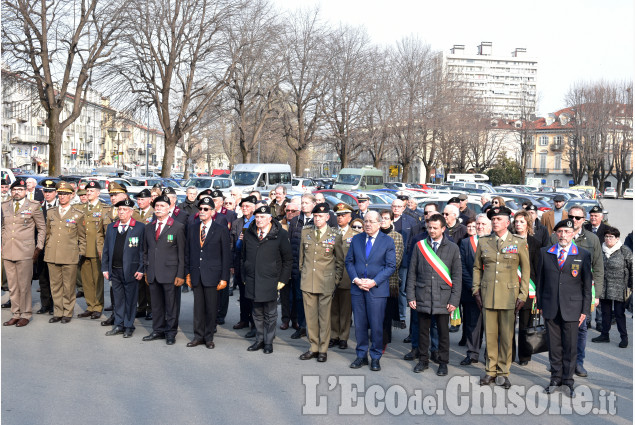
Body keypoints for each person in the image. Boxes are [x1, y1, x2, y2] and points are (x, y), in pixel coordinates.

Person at [472, 206, 530, 388]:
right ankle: (490, 370)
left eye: (499, 219)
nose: (495, 222)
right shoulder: (483, 242)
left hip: (509, 296)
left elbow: (526, 270)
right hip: (488, 294)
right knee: (489, 336)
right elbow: (476, 268)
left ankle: (504, 372)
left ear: (507, 222)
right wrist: (476, 290)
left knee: (506, 336)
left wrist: (523, 294)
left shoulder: (519, 242)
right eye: (493, 219)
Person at [549, 204, 603, 377]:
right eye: (571, 216)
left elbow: (598, 268)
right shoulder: (555, 236)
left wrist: (597, 295)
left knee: (580, 331)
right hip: (559, 294)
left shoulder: (591, 239)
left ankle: (577, 363)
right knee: (558, 331)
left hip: (581, 294)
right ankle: (558, 363)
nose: (573, 220)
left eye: (578, 218)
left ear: (584, 220)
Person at [540, 219, 592, 397]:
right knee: (554, 346)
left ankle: (568, 381)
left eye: (567, 232)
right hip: (551, 306)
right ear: (555, 233)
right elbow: (540, 281)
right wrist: (540, 305)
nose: (563, 235)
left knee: (570, 346)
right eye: (560, 232)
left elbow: (587, 285)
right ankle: (555, 378)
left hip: (573, 308)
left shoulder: (583, 254)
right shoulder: (545, 253)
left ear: (573, 234)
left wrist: (585, 310)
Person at [407, 213, 462, 376]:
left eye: (435, 228)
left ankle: (443, 362)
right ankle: (423, 360)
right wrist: (411, 296)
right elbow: (412, 273)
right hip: (423, 295)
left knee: (443, 334)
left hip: (444, 299)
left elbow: (457, 277)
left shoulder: (453, 248)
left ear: (443, 229)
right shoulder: (420, 246)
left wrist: (454, 300)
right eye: (429, 227)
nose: (431, 231)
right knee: (423, 332)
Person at [345, 211, 397, 371]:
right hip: (358, 287)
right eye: (366, 221)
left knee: (376, 325)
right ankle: (361, 355)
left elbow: (390, 266)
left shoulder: (387, 241)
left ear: (380, 223)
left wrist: (374, 282)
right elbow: (349, 261)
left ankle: (375, 356)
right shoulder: (356, 239)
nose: (367, 224)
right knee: (360, 325)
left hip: (377, 290)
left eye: (371, 221)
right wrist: (356, 279)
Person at [242, 205, 292, 354]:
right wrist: (244, 275)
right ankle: (259, 339)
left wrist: (283, 279)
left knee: (270, 313)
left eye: (262, 217)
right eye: (257, 217)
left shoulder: (280, 234)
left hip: (271, 280)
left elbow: (288, 259)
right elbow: (242, 256)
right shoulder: (249, 233)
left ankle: (268, 341)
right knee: (256, 312)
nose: (259, 220)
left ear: (270, 218)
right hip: (252, 279)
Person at [298, 203, 344, 362]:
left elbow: (339, 261)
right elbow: (301, 258)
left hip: (326, 281)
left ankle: (323, 349)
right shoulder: (306, 232)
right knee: (310, 317)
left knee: (324, 318)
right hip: (308, 280)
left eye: (320, 216)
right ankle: (313, 347)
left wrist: (335, 279)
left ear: (327, 217)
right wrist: (303, 274)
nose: (317, 219)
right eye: (315, 216)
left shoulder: (335, 235)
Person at [184, 197, 231, 349]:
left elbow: (226, 256)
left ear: (212, 211)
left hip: (213, 275)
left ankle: (209, 337)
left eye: (206, 209)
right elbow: (188, 252)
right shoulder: (192, 228)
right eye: (200, 209)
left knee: (211, 308)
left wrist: (224, 278)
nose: (202, 211)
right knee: (198, 308)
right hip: (196, 274)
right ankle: (198, 336)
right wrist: (188, 273)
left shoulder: (221, 229)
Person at [1, 179, 46, 327]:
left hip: (25, 251)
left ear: (26, 191)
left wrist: (38, 247)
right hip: (8, 251)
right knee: (13, 286)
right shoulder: (5, 205)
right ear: (11, 191)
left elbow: (41, 228)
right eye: (14, 190)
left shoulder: (34, 206)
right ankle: (15, 313)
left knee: (24, 285)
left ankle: (25, 314)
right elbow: (3, 227)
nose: (17, 192)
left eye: (20, 190)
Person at [142, 194, 186, 345]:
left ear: (169, 209)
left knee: (171, 305)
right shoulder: (148, 227)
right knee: (156, 305)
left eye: (162, 206)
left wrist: (181, 274)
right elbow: (145, 251)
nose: (159, 209)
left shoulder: (178, 227)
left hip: (170, 273)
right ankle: (158, 330)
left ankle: (170, 333)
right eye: (157, 206)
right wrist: (147, 271)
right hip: (153, 273)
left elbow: (182, 253)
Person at [101, 199, 145, 338]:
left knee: (131, 300)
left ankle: (128, 325)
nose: (121, 212)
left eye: (125, 210)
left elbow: (143, 251)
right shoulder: (112, 227)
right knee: (118, 300)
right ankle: (119, 324)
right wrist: (105, 268)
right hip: (115, 270)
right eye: (119, 209)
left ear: (131, 212)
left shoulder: (139, 227)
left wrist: (141, 268)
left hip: (131, 271)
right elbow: (106, 249)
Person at [44, 181, 87, 324]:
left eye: (66, 194)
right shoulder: (51, 212)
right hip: (52, 254)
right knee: (55, 286)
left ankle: (67, 312)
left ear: (71, 195)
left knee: (68, 286)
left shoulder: (78, 214)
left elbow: (82, 237)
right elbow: (48, 234)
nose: (62, 197)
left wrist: (81, 253)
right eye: (60, 194)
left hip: (70, 255)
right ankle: (58, 311)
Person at [458, 213, 491, 366]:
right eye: (478, 224)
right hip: (472, 290)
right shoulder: (466, 243)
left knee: (490, 325)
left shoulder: (495, 242)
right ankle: (472, 353)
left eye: (483, 224)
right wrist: (473, 286)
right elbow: (463, 266)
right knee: (472, 323)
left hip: (492, 291)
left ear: (490, 226)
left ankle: (489, 355)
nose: (480, 227)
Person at [592, 226, 632, 348]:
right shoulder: (600, 250)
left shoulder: (624, 250)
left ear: (617, 238)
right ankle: (605, 334)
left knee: (619, 313)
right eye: (606, 236)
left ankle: (624, 337)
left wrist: (631, 286)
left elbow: (632, 269)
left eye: (611, 237)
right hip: (604, 287)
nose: (608, 239)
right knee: (605, 312)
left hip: (620, 288)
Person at [77, 181, 111, 320]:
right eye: (87, 191)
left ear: (98, 193)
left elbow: (107, 232)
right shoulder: (80, 208)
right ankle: (90, 306)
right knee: (86, 280)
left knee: (97, 280)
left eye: (91, 191)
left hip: (97, 250)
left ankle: (97, 307)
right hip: (84, 249)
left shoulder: (104, 209)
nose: (89, 193)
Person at [331, 204, 363, 350]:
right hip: (330, 276)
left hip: (347, 277)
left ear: (350, 218)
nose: (340, 218)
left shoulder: (356, 236)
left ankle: (343, 337)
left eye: (343, 215)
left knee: (345, 310)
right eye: (338, 215)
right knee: (332, 309)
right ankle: (333, 335)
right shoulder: (330, 233)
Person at [511, 210, 541, 366]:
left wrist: (536, 292)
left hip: (528, 289)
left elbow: (537, 269)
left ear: (528, 224)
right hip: (510, 288)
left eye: (522, 222)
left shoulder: (535, 243)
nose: (518, 224)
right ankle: (509, 354)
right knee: (508, 325)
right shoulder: (507, 240)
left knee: (525, 325)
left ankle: (524, 356)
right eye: (516, 221)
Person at [287, 193, 317, 339]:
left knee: (312, 298)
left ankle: (312, 327)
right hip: (298, 267)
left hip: (314, 267)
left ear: (313, 204)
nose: (303, 205)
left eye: (306, 203)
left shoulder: (318, 220)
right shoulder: (295, 221)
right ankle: (301, 325)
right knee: (299, 297)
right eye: (302, 203)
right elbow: (290, 244)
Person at [392, 197, 420, 329]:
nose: (396, 209)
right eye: (394, 206)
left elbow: (411, 242)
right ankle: (391, 316)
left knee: (402, 290)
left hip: (403, 261)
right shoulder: (386, 220)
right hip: (387, 261)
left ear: (403, 208)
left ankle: (402, 317)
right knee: (389, 289)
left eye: (399, 206)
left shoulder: (410, 221)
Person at [231, 196, 257, 335]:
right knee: (242, 293)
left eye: (248, 206)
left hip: (252, 263)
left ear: (254, 207)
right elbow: (231, 244)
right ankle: (243, 319)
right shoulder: (237, 223)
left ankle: (254, 322)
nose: (245, 208)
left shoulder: (257, 221)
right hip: (239, 261)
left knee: (252, 294)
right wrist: (231, 264)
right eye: (243, 206)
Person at [378, 210, 404, 350]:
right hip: (372, 280)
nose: (383, 220)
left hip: (389, 281)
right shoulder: (374, 234)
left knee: (386, 314)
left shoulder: (396, 237)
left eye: (386, 218)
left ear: (392, 221)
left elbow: (396, 260)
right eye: (381, 218)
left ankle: (384, 340)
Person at [35, 179, 59, 314]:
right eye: (45, 191)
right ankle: (45, 304)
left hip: (55, 248)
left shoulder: (59, 207)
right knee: (43, 278)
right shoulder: (38, 207)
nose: (47, 194)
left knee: (55, 279)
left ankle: (56, 305)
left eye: (50, 191)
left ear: (55, 192)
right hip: (41, 248)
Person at [279, 197, 301, 327]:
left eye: (294, 211)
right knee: (285, 296)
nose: (290, 213)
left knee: (297, 295)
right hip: (283, 265)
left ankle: (295, 319)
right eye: (288, 210)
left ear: (299, 212)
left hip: (296, 264)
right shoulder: (279, 225)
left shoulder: (301, 225)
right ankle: (285, 319)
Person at [135, 189, 154, 320]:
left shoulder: (154, 213)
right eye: (138, 199)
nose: (140, 202)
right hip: (136, 250)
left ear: (149, 200)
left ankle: (151, 308)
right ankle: (141, 307)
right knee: (139, 282)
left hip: (149, 251)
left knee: (149, 282)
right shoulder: (134, 213)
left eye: (142, 199)